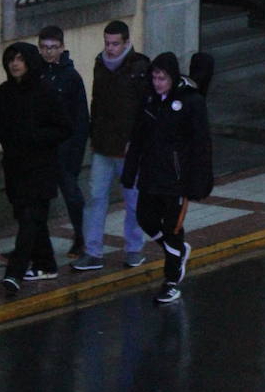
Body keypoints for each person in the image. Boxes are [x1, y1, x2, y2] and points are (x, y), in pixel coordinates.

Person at [121, 52, 213, 304]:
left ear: (172, 78)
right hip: (151, 175)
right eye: (154, 78)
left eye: (162, 78)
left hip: (177, 179)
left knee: (173, 229)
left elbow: (201, 144)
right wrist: (130, 174)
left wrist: (198, 182)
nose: (157, 83)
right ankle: (178, 252)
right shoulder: (149, 101)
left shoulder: (190, 102)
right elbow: (137, 138)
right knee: (145, 218)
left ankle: (171, 279)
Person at [0, 42, 72, 293]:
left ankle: (14, 272)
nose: (15, 64)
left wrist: (35, 137)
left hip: (40, 166)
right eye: (11, 60)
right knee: (27, 217)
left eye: (19, 59)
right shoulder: (5, 92)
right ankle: (46, 262)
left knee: (30, 218)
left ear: (29, 62)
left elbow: (64, 127)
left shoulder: (45, 91)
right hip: (15, 166)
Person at [72, 20, 150, 272]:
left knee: (134, 200)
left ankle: (134, 249)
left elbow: (143, 109)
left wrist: (136, 142)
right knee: (95, 198)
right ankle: (93, 251)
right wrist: (94, 136)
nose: (110, 48)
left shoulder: (139, 66)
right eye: (107, 43)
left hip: (128, 147)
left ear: (126, 42)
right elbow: (97, 102)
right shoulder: (100, 64)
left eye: (115, 44)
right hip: (103, 145)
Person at [36, 25, 89, 259]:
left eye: (53, 48)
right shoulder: (37, 72)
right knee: (37, 198)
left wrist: (75, 153)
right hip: (43, 148)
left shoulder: (70, 77)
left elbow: (80, 119)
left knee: (71, 194)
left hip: (65, 149)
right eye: (45, 48)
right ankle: (34, 242)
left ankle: (81, 237)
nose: (48, 53)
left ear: (62, 48)